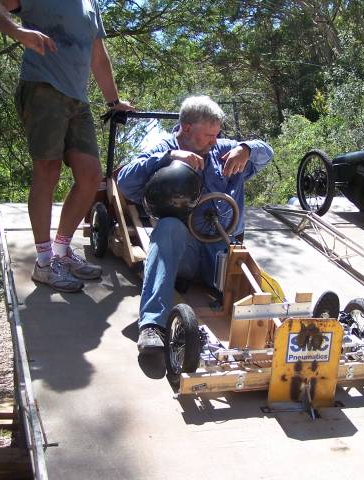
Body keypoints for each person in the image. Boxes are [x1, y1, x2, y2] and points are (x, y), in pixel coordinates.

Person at [0, 0, 134, 292]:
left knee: (89, 177)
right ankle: (45, 262)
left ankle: (62, 252)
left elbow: (98, 56)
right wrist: (18, 32)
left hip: (78, 100)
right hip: (42, 87)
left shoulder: (90, 4)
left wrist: (113, 102)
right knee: (47, 170)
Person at [116, 95, 273, 378]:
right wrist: (168, 158)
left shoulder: (225, 150)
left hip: (224, 254)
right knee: (168, 228)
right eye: (209, 135)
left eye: (217, 134)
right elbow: (125, 182)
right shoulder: (164, 147)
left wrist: (247, 149)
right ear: (186, 129)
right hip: (186, 254)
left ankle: (281, 325)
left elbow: (267, 152)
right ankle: (152, 327)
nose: (215, 141)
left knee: (249, 268)